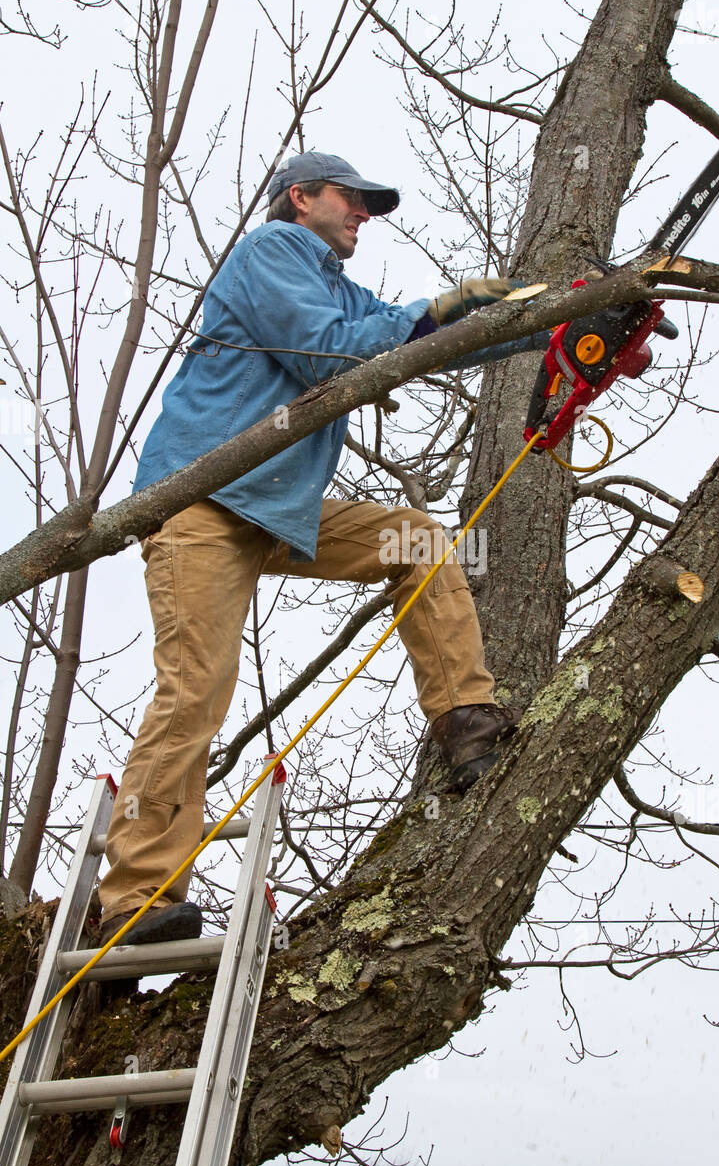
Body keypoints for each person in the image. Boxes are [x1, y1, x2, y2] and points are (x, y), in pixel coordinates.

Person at [98, 151, 519, 947]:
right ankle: (135, 895)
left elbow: (420, 342)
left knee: (417, 539)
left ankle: (465, 716)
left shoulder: (339, 288)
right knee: (196, 689)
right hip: (206, 504)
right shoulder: (274, 249)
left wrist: (543, 323)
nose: (363, 213)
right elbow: (325, 349)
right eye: (351, 198)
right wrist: (434, 309)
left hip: (276, 508)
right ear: (300, 197)